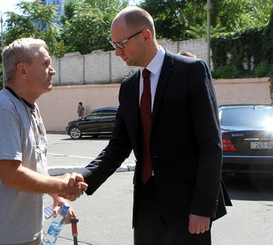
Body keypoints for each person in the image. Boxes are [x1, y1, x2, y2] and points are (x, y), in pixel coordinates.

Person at [79, 6, 230, 245]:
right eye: (113, 45)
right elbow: (117, 147)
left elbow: (211, 145)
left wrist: (203, 208)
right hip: (146, 205)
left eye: (121, 44)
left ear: (146, 36)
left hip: (188, 207)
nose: (117, 52)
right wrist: (82, 178)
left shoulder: (190, 71)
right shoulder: (128, 88)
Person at [0, 38, 87, 245]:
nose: (52, 71)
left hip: (27, 233)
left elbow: (34, 166)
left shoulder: (30, 107)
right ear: (22, 71)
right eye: (45, 64)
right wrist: (61, 185)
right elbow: (12, 175)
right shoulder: (4, 108)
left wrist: (57, 196)